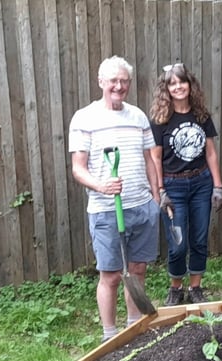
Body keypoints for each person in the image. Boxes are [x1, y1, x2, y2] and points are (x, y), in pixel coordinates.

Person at [69, 55, 161, 342]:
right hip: (106, 211)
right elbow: (77, 168)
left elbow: (149, 159)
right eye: (113, 81)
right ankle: (109, 335)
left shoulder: (138, 117)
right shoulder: (85, 118)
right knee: (110, 275)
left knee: (138, 270)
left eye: (124, 81)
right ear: (101, 82)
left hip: (141, 207)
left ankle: (134, 326)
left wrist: (156, 199)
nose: (119, 86)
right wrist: (101, 185)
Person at [149, 63, 222, 306]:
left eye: (182, 81)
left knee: (199, 239)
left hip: (201, 184)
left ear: (190, 85)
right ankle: (175, 288)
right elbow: (155, 158)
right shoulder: (160, 120)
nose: (178, 86)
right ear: (167, 89)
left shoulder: (202, 116)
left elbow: (211, 153)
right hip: (173, 187)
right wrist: (160, 190)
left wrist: (218, 186)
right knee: (178, 243)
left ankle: (195, 288)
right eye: (172, 83)